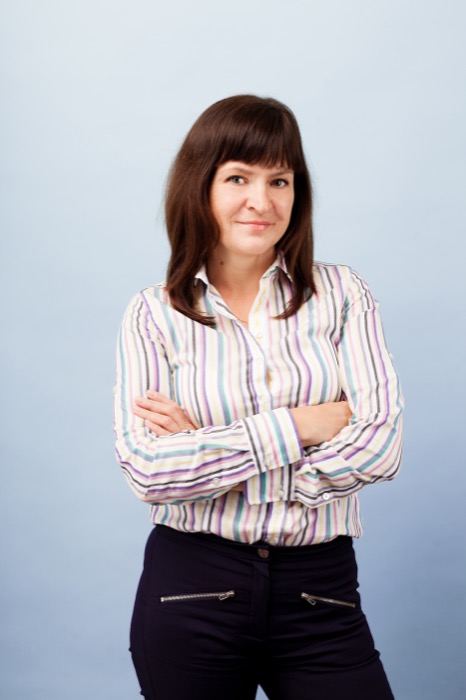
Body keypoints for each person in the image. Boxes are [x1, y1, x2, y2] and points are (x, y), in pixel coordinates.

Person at [114, 95, 403, 700]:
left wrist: (205, 452)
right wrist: (300, 426)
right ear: (201, 187)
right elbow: (149, 472)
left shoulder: (342, 294)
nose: (262, 201)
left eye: (280, 180)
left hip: (320, 591)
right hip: (191, 588)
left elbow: (379, 446)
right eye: (238, 178)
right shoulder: (153, 314)